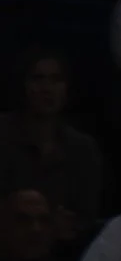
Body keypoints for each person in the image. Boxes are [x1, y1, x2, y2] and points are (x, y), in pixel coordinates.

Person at [0, 52, 104, 240]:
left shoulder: (83, 148)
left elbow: (87, 216)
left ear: (66, 88)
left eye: (56, 80)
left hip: (62, 249)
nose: (47, 88)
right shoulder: (3, 134)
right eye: (38, 79)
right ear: (23, 85)